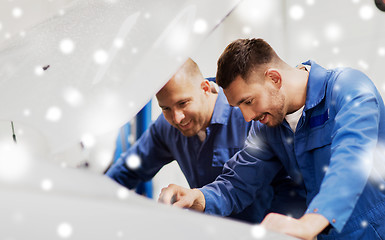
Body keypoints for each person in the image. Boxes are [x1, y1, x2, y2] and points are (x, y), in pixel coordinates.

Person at [158, 39, 385, 239]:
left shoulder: (349, 89)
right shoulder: (269, 128)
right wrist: (197, 197)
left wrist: (309, 223)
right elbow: (237, 182)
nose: (247, 117)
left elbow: (351, 161)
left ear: (274, 78)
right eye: (238, 107)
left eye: (248, 101)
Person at [106, 57, 306, 223]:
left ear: (204, 88)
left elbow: (291, 185)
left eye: (183, 103)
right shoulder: (167, 127)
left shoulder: (249, 116)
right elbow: (126, 171)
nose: (177, 118)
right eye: (165, 108)